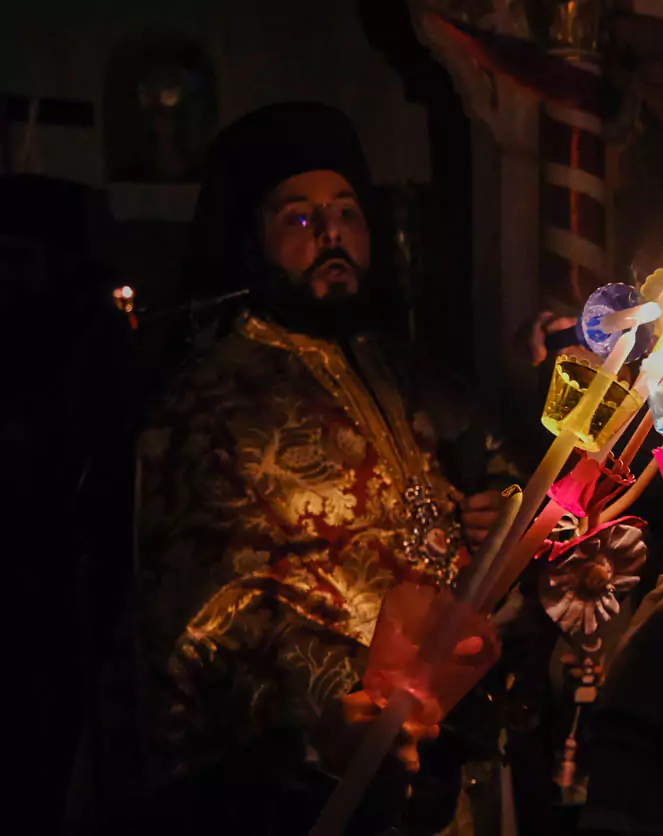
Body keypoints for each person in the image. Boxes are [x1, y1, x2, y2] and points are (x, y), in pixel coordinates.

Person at [92, 102, 512, 835]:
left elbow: (504, 486)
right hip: (308, 782)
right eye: (299, 218)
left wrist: (500, 511)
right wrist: (338, 715)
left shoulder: (417, 375)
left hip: (452, 762)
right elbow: (204, 613)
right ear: (252, 242)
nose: (332, 235)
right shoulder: (209, 401)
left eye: (348, 213)